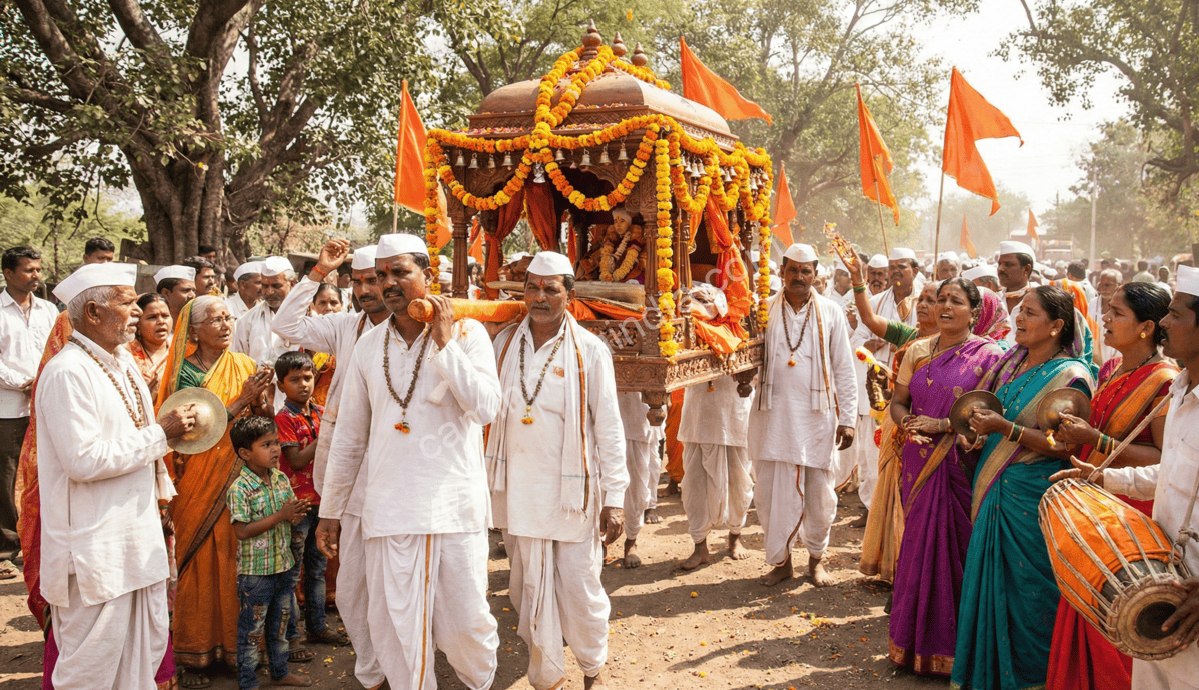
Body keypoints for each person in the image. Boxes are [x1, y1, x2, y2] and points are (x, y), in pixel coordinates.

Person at [315, 233, 500, 690]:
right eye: (381, 276)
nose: (388, 283)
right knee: (395, 631)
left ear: (427, 275)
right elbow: (349, 439)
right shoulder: (366, 345)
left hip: (453, 510)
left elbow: (487, 409)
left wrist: (444, 344)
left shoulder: (468, 334)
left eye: (400, 272)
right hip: (388, 511)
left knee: (467, 628)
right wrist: (331, 511)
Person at [37, 262, 199, 689]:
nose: (136, 313)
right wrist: (160, 434)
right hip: (96, 549)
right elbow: (84, 460)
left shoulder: (121, 362)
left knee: (138, 663)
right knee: (91, 671)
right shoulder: (68, 372)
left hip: (134, 542)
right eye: (127, 304)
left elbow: (140, 441)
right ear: (92, 312)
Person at [1053, 264, 1199, 690]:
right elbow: (1170, 472)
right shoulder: (1181, 390)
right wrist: (1104, 480)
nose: (1166, 325)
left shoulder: (1165, 381)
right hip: (1157, 570)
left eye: (1178, 315)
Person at [487, 250, 627, 690]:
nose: (539, 296)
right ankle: (547, 675)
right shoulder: (503, 343)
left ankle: (592, 668)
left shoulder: (591, 350)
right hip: (519, 492)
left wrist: (616, 500)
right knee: (526, 588)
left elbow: (609, 427)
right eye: (531, 287)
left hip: (572, 496)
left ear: (570, 294)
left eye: (550, 289)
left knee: (581, 587)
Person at [951, 285, 1097, 690]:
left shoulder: (1070, 376)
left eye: (1030, 313)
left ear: (1056, 326)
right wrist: (977, 435)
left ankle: (1032, 680)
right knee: (990, 587)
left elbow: (1067, 446)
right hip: (996, 487)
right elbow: (995, 420)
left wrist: (1006, 429)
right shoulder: (1012, 364)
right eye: (1019, 310)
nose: (1019, 318)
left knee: (1029, 597)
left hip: (1032, 500)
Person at [270, 241, 388, 688]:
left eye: (373, 279)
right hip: (347, 465)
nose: (365, 289)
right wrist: (319, 272)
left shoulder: (417, 330)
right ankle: (372, 665)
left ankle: (400, 654)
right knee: (355, 573)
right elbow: (286, 323)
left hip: (395, 467)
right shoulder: (344, 326)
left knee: (392, 572)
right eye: (357, 282)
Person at [886, 278, 1006, 675]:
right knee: (918, 547)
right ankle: (911, 645)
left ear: (975, 311)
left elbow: (991, 417)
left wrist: (943, 425)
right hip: (917, 460)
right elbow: (899, 402)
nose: (945, 307)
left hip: (959, 465)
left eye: (956, 301)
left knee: (955, 551)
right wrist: (907, 426)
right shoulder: (919, 351)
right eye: (940, 300)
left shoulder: (990, 357)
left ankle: (954, 651)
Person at [162, 296, 277, 682]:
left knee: (236, 561)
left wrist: (261, 400)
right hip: (195, 482)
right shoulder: (183, 376)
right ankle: (193, 652)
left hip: (239, 480)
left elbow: (262, 422)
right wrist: (240, 398)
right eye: (216, 320)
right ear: (193, 331)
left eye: (229, 318)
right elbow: (189, 433)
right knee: (197, 563)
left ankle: (238, 650)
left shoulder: (243, 365)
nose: (226, 325)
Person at [750, 243, 857, 587]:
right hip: (773, 418)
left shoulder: (831, 312)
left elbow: (844, 367)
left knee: (819, 494)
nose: (799, 277)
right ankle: (782, 562)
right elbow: (749, 360)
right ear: (782, 271)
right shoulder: (762, 309)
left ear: (815, 273)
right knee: (770, 492)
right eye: (792, 270)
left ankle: (816, 559)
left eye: (806, 270)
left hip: (817, 420)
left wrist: (849, 419)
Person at [226, 416, 313, 689]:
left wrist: (295, 514)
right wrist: (280, 516)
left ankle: (280, 671)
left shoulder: (280, 478)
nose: (276, 449)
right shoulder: (240, 489)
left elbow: (288, 517)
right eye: (267, 445)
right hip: (257, 575)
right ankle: (248, 682)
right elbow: (241, 531)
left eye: (276, 442)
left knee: (280, 626)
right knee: (252, 633)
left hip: (283, 566)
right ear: (245, 453)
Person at [271, 351, 346, 651]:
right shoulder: (283, 419)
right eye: (294, 380)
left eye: (308, 377)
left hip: (322, 502)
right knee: (292, 572)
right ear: (280, 385)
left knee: (316, 569)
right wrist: (327, 433)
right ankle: (292, 636)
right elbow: (297, 460)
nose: (303, 384)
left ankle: (317, 628)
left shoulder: (321, 411)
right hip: (297, 505)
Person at [0, 246, 56, 571]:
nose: (36, 275)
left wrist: (41, 382)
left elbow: (57, 348)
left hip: (44, 405)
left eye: (38, 269)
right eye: (28, 270)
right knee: (6, 477)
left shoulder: (49, 310)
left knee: (43, 471)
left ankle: (41, 542)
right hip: (8, 407)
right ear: (8, 274)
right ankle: (7, 549)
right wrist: (22, 381)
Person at [677, 373, 753, 571]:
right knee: (694, 484)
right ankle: (700, 546)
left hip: (734, 407)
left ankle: (735, 537)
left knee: (740, 481)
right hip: (698, 410)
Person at [232, 256, 297, 409]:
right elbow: (238, 362)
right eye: (264, 286)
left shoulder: (307, 319)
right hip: (258, 404)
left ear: (292, 284)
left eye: (276, 285)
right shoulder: (247, 320)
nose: (268, 292)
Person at [618, 391, 663, 568]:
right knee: (600, 482)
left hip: (639, 413)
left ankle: (631, 541)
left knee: (637, 484)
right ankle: (601, 540)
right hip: (604, 406)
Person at [129, 293, 173, 394]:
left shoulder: (180, 352)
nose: (161, 321)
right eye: (152, 317)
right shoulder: (125, 355)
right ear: (138, 325)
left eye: (165, 316)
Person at [996, 240, 1036, 343]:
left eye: (1008, 265)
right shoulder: (994, 300)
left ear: (1026, 269)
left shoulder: (1042, 301)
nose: (1001, 269)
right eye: (999, 264)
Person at [1091, 268, 1123, 365]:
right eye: (1101, 285)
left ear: (1118, 286)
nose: (1104, 289)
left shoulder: (1125, 308)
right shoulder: (1092, 304)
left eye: (1108, 285)